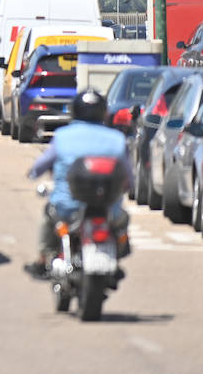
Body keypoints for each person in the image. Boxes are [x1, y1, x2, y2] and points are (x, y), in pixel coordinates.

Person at [25, 89, 132, 278]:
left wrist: (33, 172)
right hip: (109, 207)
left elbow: (41, 165)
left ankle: (42, 260)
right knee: (122, 221)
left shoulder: (63, 136)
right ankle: (117, 253)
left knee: (49, 215)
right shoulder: (116, 139)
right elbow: (129, 176)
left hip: (68, 207)